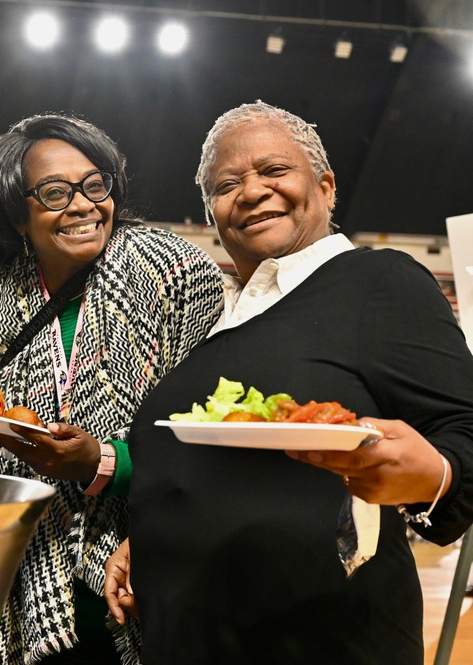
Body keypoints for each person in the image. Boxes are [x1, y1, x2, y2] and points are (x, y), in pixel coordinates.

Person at [104, 101, 473, 664]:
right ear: (214, 215)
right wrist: (151, 537)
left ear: (325, 187)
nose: (251, 191)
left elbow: (465, 429)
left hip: (322, 641)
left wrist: (437, 475)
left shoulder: (377, 282)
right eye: (227, 184)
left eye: (274, 171)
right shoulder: (217, 320)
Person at [0, 114, 223, 664]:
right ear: (15, 213)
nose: (83, 205)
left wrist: (103, 464)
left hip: (147, 576)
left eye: (95, 184)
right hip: (27, 593)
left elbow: (208, 445)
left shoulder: (175, 278)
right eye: (55, 193)